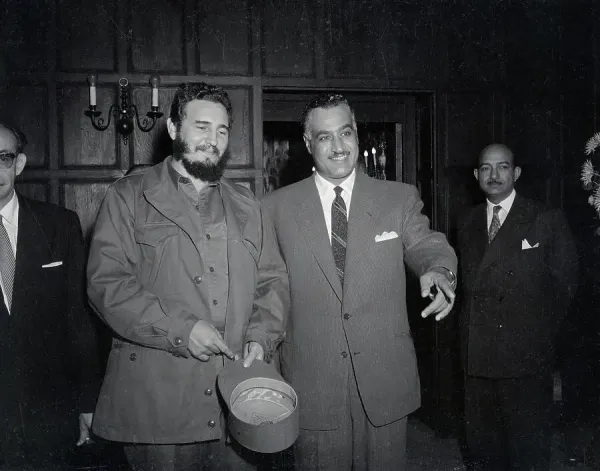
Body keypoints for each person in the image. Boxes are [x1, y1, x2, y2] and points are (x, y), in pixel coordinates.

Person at [87, 82, 289, 471]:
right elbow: (106, 286)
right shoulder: (128, 196)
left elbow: (272, 282)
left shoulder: (248, 203)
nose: (213, 140)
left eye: (222, 130)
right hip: (158, 407)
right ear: (173, 128)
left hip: (239, 402)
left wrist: (261, 337)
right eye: (201, 126)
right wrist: (181, 329)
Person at [262, 93, 458, 470]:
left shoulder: (397, 197)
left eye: (345, 132)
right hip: (312, 381)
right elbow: (270, 290)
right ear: (307, 143)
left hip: (384, 380)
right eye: (325, 137)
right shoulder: (275, 208)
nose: (338, 146)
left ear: (356, 133)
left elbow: (425, 243)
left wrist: (438, 269)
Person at [456, 143, 579, 470]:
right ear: (476, 174)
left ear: (517, 173)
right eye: (486, 168)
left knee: (528, 450)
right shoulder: (466, 221)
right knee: (484, 449)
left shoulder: (544, 218)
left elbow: (565, 286)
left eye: (503, 167)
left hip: (526, 357)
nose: (494, 175)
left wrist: (534, 334)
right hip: (478, 356)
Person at [0, 123, 100, 468]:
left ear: (19, 164)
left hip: (49, 412)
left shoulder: (59, 225)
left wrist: (87, 402)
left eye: (3, 158)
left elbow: (78, 319)